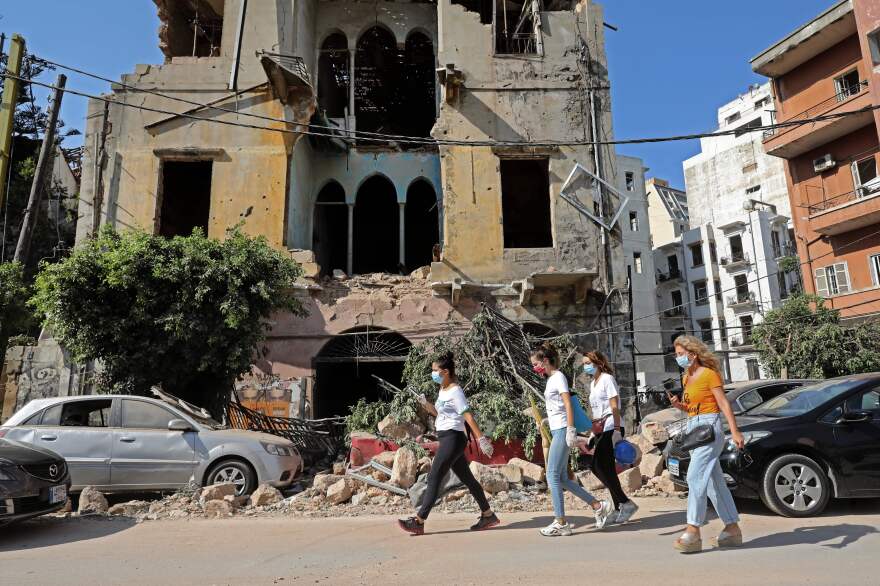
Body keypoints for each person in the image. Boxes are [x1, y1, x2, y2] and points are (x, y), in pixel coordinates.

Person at [398, 351, 499, 535]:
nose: (433, 374)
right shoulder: (443, 390)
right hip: (447, 437)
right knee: (467, 479)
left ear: (445, 372)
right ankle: (488, 515)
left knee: (434, 477)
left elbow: (467, 415)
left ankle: (419, 521)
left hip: (453, 438)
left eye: (435, 370)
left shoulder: (455, 391)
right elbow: (440, 414)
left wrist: (481, 439)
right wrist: (426, 404)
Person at [667, 335, 745, 553]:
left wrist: (735, 431)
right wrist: (679, 405)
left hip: (710, 429)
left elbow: (723, 404)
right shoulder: (686, 378)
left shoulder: (709, 374)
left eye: (681, 354)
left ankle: (693, 530)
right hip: (694, 429)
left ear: (693, 354)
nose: (678, 358)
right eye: (676, 354)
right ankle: (732, 528)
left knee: (694, 477)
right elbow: (692, 408)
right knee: (713, 482)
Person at [531, 342, 613, 536]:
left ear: (545, 360)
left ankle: (561, 522)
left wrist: (569, 429)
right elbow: (557, 407)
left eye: (535, 364)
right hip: (558, 428)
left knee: (552, 475)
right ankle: (598, 505)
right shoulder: (551, 379)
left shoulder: (558, 377)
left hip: (562, 430)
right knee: (561, 478)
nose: (535, 368)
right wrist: (547, 420)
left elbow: (567, 403)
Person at [582, 350, 639, 524]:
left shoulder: (607, 379)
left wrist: (616, 429)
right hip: (599, 427)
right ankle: (620, 505)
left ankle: (625, 503)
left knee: (600, 465)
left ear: (598, 363)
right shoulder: (593, 383)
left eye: (588, 363)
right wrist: (593, 432)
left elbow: (614, 405)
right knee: (600, 468)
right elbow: (596, 410)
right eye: (584, 364)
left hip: (611, 426)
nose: (585, 367)